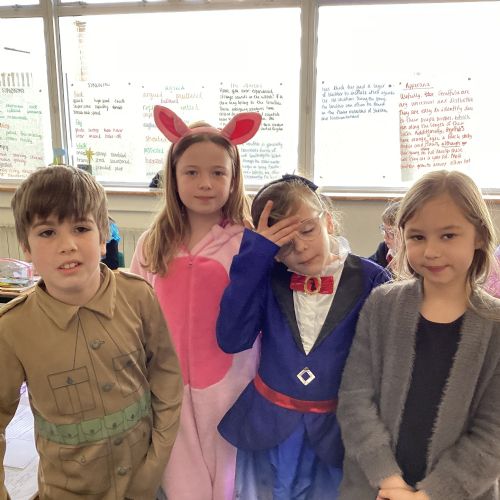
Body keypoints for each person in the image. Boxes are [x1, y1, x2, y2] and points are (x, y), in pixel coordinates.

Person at [0, 165, 183, 500]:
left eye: (81, 228)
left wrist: (153, 468)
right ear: (26, 248)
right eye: (47, 233)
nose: (67, 245)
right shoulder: (12, 328)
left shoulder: (138, 296)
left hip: (144, 484)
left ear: (103, 238)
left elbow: (167, 378)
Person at [216, 174, 389, 500]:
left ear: (328, 221)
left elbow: (387, 361)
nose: (301, 248)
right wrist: (255, 256)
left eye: (308, 231)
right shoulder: (267, 275)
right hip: (269, 430)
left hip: (336, 435)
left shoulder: (372, 279)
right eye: (284, 244)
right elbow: (232, 339)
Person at [337, 170, 500, 500]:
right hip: (375, 488)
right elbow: (355, 399)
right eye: (417, 237)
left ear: (480, 236)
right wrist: (389, 481)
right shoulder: (381, 305)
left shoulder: (494, 323)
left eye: (448, 235)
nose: (431, 251)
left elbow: (492, 433)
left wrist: (429, 495)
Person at [130, 105, 262, 500]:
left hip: (233, 388)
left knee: (232, 483)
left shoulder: (248, 243)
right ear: (173, 176)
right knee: (179, 481)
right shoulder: (152, 244)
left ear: (234, 178)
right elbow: (135, 314)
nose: (205, 183)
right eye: (191, 172)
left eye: (218, 172)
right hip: (167, 388)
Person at [368, 200, 401, 268]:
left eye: (391, 233)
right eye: (384, 230)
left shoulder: (415, 258)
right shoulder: (383, 249)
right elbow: (367, 267)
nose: (385, 237)